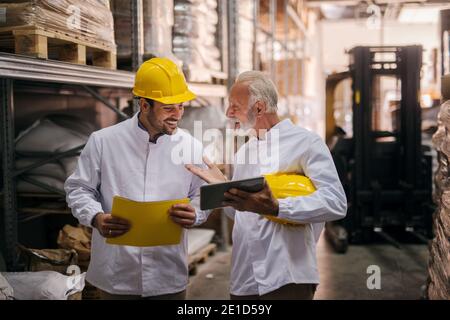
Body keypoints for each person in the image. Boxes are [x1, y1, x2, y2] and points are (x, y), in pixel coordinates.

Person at [186, 71, 347, 300]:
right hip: (245, 276)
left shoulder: (306, 143)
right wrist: (223, 187)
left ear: (259, 108)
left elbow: (336, 203)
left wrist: (277, 207)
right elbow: (242, 213)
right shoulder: (245, 151)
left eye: (234, 106)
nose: (228, 113)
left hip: (287, 275)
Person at [64, 57, 208, 299]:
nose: (177, 115)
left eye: (181, 106)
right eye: (168, 108)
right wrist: (96, 217)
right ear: (144, 105)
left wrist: (196, 212)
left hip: (168, 271)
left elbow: (202, 194)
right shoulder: (104, 141)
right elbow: (78, 188)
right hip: (117, 272)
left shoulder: (192, 147)